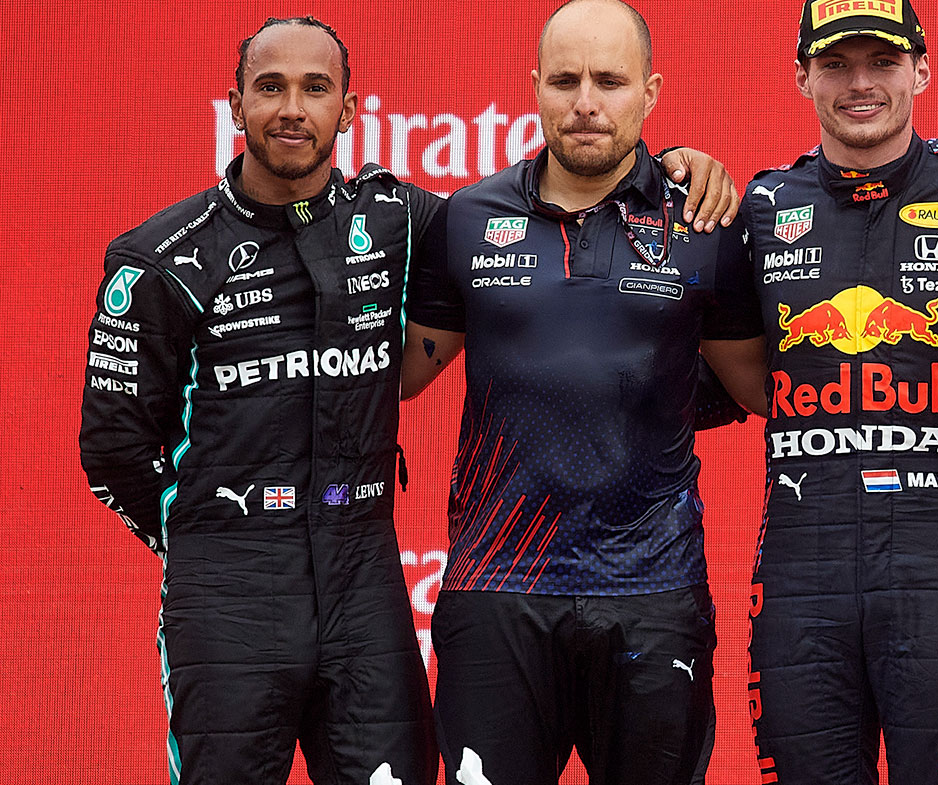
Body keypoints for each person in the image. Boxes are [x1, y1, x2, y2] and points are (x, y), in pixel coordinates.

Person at [77, 14, 735, 785]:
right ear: (235, 104)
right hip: (231, 587)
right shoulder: (159, 257)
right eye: (271, 88)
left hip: (362, 576)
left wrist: (675, 166)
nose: (292, 108)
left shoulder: (404, 220)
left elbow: (569, 217)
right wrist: (206, 539)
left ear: (348, 110)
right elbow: (113, 449)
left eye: (315, 89)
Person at [399, 1, 763, 783]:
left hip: (653, 591)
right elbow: (399, 374)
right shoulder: (467, 218)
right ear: (535, 86)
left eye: (610, 81)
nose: (586, 102)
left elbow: (763, 389)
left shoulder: (704, 223)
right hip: (496, 588)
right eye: (565, 81)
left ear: (650, 92)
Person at [729, 1, 938, 782]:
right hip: (799, 571)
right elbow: (712, 375)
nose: (859, 83)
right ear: (802, 78)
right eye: (835, 64)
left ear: (921, 71)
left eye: (883, 62)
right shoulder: (762, 208)